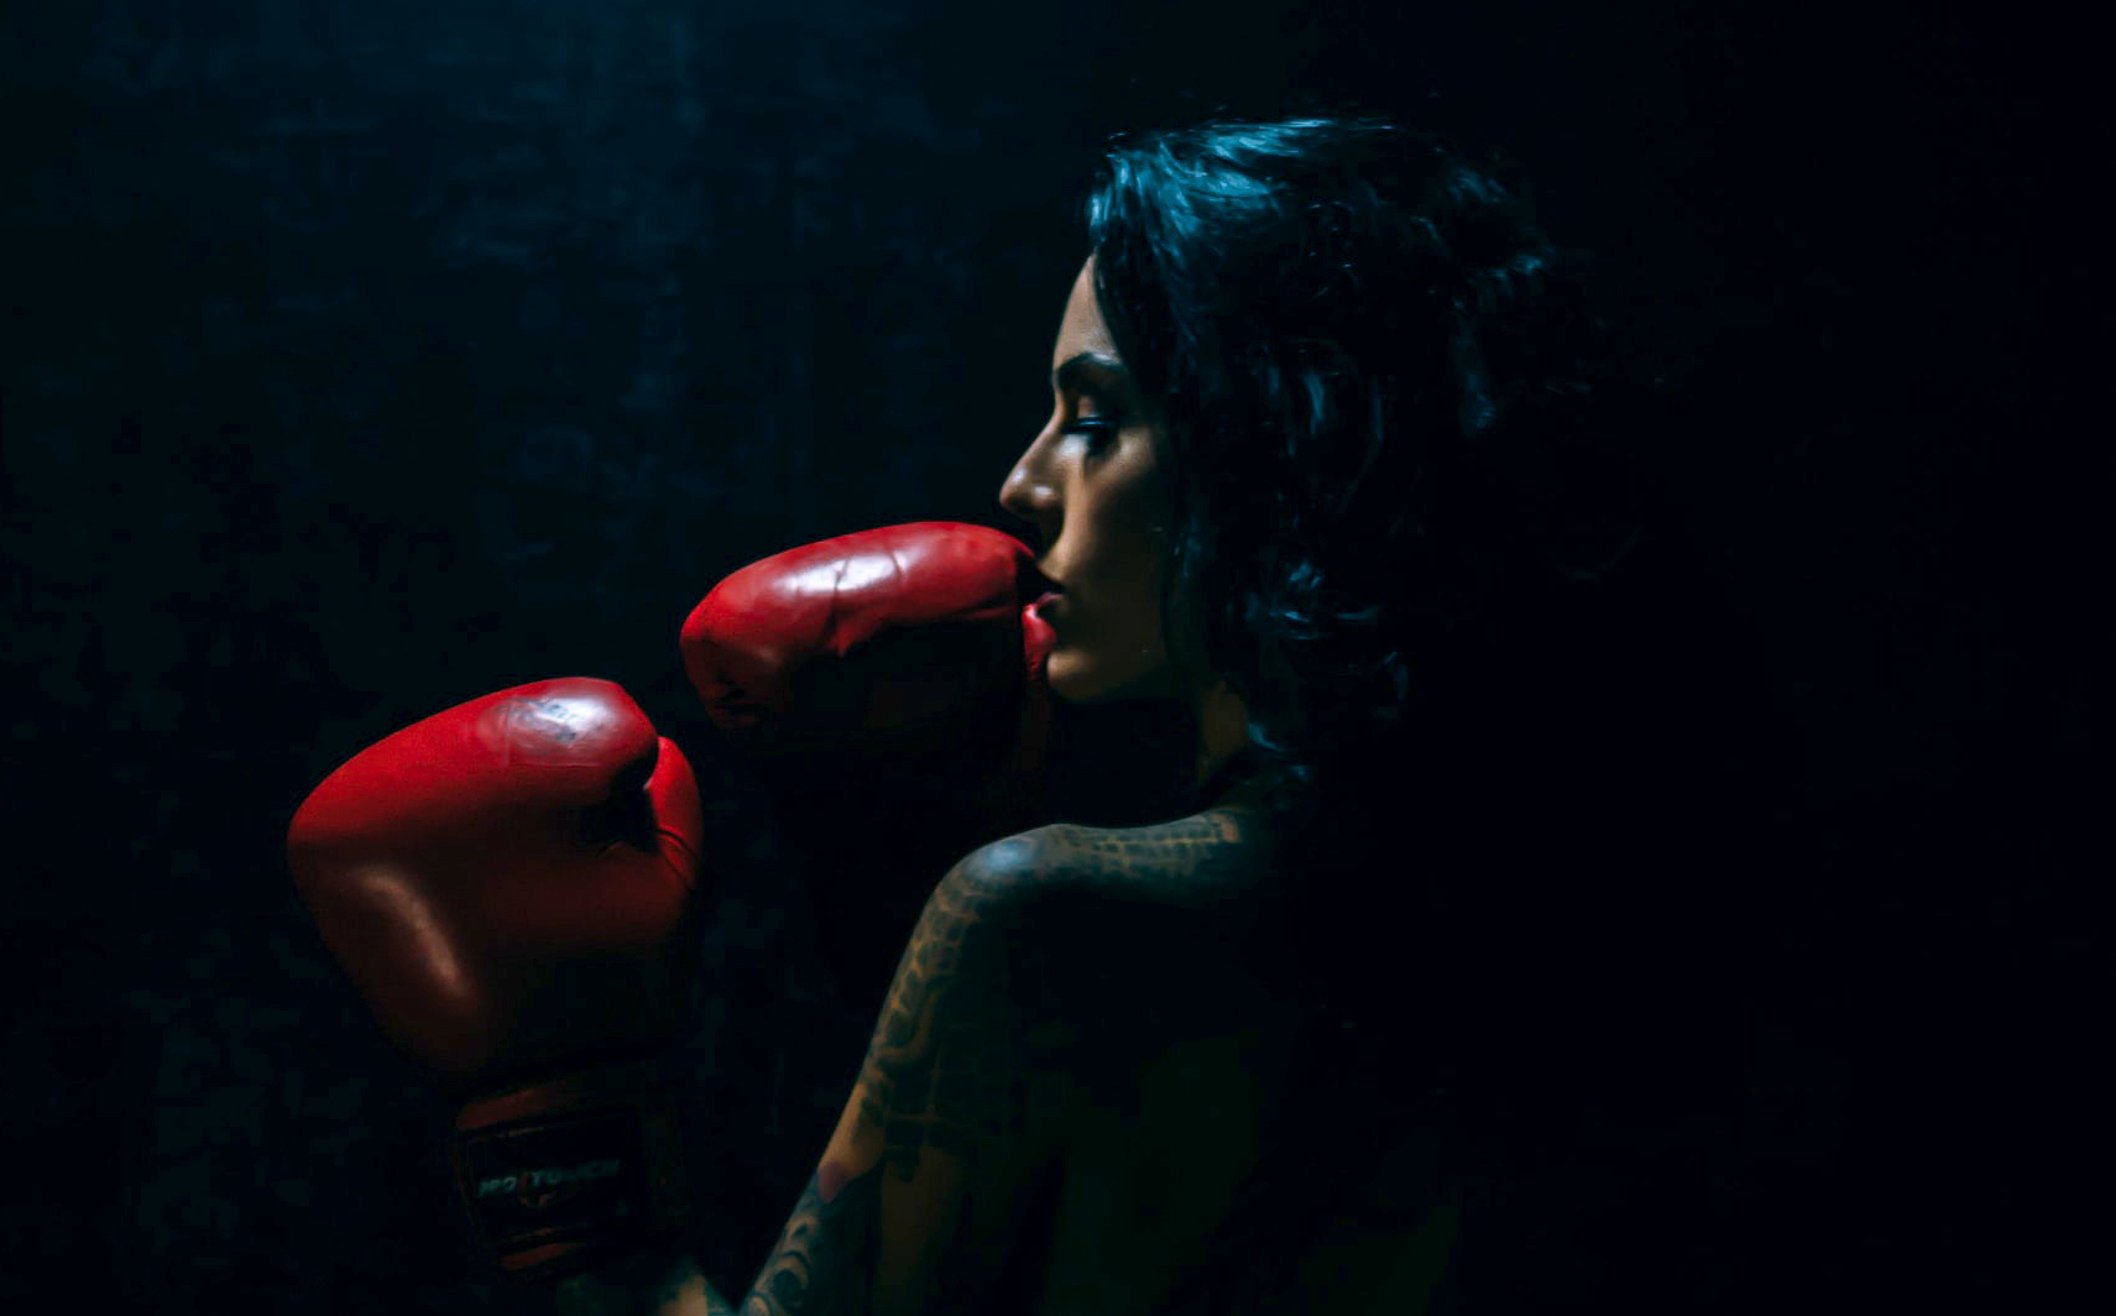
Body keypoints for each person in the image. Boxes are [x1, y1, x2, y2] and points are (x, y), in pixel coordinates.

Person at [579, 112, 1782, 1314]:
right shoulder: (1654, 900)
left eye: (1095, 418)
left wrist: (556, 1146)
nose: (1025, 481)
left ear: (1275, 443)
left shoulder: (1049, 918)